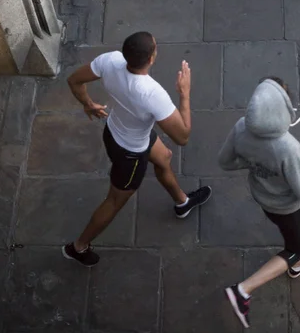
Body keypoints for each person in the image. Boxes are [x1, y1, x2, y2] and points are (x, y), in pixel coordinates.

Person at [62, 31, 212, 267]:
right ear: (152, 58)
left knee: (164, 157)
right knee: (114, 201)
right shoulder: (152, 93)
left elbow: (74, 80)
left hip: (114, 131)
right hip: (130, 154)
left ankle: (182, 202)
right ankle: (78, 247)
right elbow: (182, 136)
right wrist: (184, 94)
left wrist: (88, 105)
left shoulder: (110, 60)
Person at [218, 76, 300, 329]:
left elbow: (225, 162)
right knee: (295, 246)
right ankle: (243, 290)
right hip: (285, 206)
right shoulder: (288, 147)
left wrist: (253, 162)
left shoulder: (241, 127)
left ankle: (297, 264)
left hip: (263, 198)